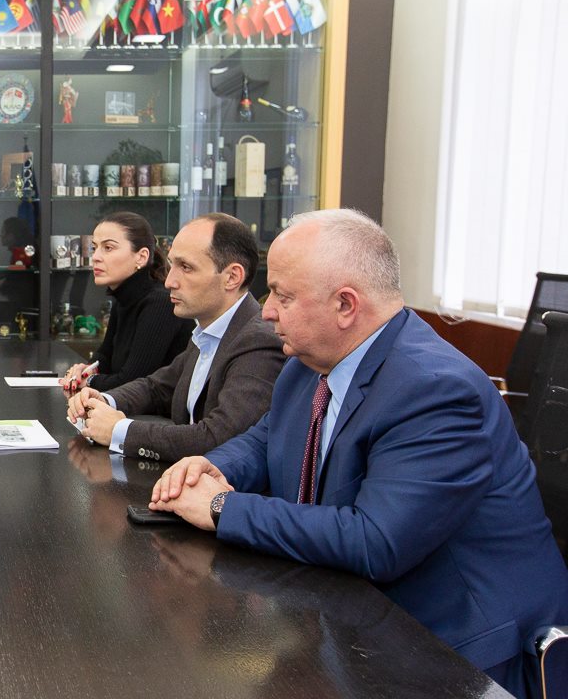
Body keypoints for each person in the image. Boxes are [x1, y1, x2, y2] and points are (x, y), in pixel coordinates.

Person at [149, 209, 568, 698]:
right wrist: (211, 466)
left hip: (458, 654)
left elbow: (375, 542)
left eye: (282, 295)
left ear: (345, 305)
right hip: (352, 618)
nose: (266, 311)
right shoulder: (309, 363)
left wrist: (222, 506)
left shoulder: (436, 390)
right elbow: (265, 439)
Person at [67, 213, 285, 461]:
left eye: (186, 268)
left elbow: (218, 438)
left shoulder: (258, 342)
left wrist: (119, 431)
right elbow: (156, 387)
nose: (169, 281)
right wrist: (106, 399)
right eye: (172, 265)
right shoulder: (207, 332)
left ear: (232, 277)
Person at [61, 212, 194, 394]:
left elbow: (131, 382)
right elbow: (104, 356)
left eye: (108, 248)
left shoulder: (161, 302)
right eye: (94, 248)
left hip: (157, 411)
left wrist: (89, 380)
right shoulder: (123, 298)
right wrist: (85, 370)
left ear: (141, 257)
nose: (96, 257)